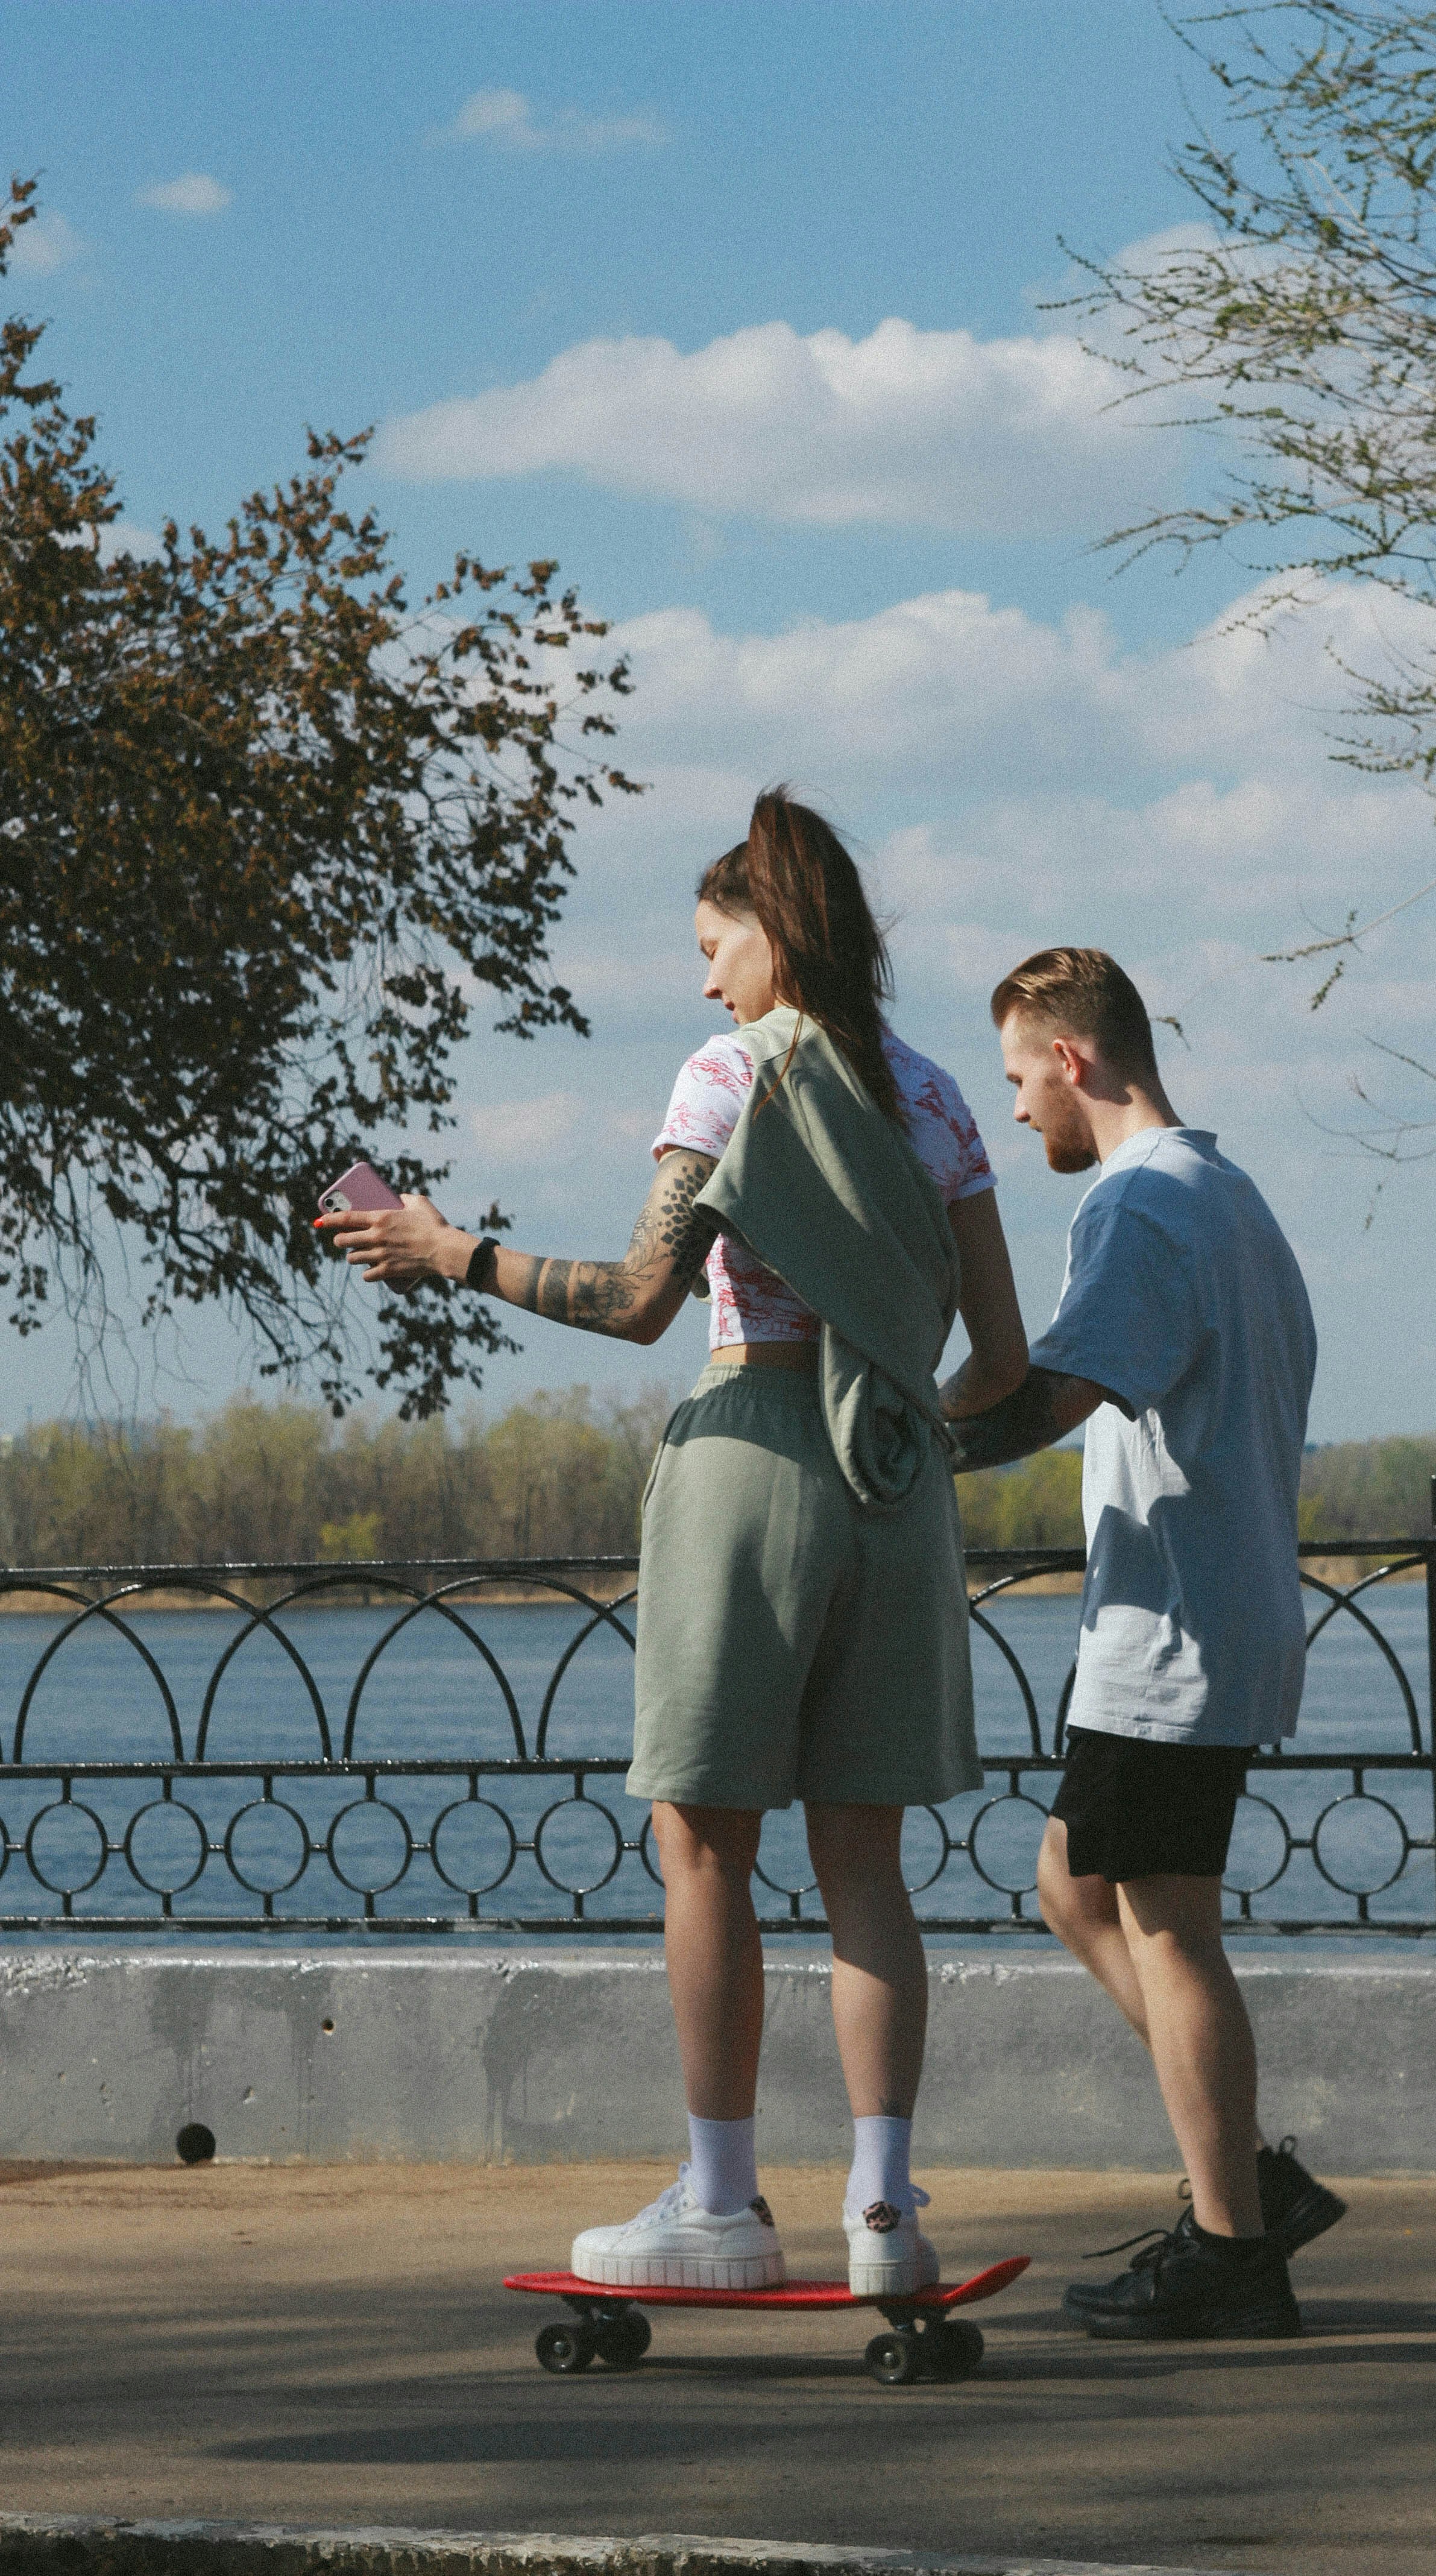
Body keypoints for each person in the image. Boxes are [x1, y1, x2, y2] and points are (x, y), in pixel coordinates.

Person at [322, 787, 1027, 2297]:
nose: (707, 980)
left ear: (775, 936)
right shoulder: (942, 1098)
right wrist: (900, 1434)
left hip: (752, 1462)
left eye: (718, 946)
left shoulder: (729, 1078)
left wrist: (456, 1252)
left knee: (701, 1840)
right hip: (898, 1491)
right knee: (867, 1867)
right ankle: (885, 2214)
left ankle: (719, 2202)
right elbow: (1005, 1358)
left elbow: (642, 1299)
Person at [938, 946, 1344, 2342]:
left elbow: (1048, 1400)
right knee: (1073, 1883)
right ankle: (1245, 2182)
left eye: (1014, 1083)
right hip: (1205, 1612)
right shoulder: (1227, 1196)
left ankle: (1232, 2247)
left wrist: (892, 1443)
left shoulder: (1139, 1205)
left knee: (1168, 1928)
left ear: (1072, 1059)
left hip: (1169, 1629)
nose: (1014, 1117)